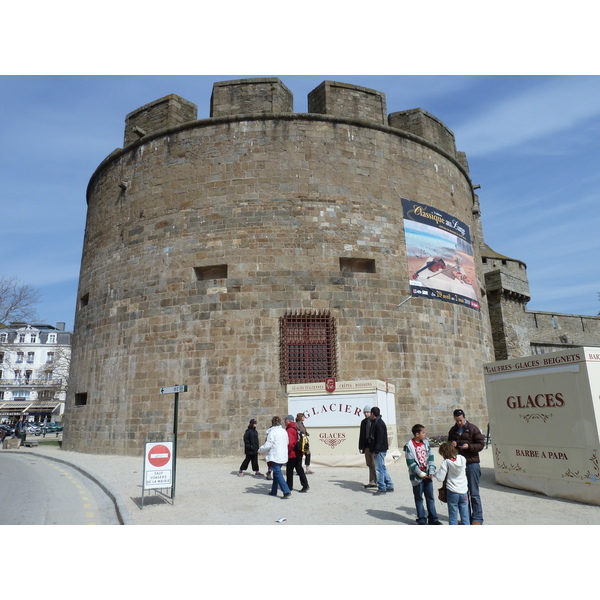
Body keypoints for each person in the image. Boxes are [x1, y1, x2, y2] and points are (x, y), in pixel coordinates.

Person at [448, 409, 485, 525]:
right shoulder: (453, 430)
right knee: (463, 493)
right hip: (459, 465)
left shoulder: (473, 428)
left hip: (471, 462)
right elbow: (448, 444)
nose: (459, 423)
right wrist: (451, 444)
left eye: (461, 420)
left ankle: (477, 519)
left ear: (464, 417)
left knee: (474, 493)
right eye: (457, 421)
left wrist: (469, 447)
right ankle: (466, 519)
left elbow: (481, 444)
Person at [404, 424, 442, 525]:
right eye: (423, 433)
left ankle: (433, 518)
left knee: (430, 497)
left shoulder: (425, 443)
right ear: (417, 434)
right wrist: (420, 473)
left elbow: (430, 457)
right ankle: (421, 518)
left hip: (428, 475)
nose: (425, 434)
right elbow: (410, 462)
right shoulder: (409, 446)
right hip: (417, 476)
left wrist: (431, 471)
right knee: (419, 497)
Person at [434, 442, 470, 525]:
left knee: (453, 516)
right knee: (465, 516)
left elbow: (440, 478)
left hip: (452, 491)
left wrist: (435, 474)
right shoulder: (462, 458)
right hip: (463, 490)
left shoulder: (446, 462)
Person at [258, 416, 291, 499]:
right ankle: (274, 490)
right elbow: (287, 442)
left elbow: (268, 444)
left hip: (275, 455)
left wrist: (260, 450)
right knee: (276, 472)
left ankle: (286, 491)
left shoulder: (272, 432)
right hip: (282, 454)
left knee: (277, 472)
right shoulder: (284, 431)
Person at [368, 406, 394, 495]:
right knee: (383, 467)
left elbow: (379, 438)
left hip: (379, 450)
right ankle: (389, 485)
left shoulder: (378, 424)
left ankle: (382, 487)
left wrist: (376, 450)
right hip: (381, 449)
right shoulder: (377, 422)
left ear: (372, 413)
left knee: (379, 469)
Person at [284, 414, 309, 492]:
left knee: (289, 470)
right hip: (298, 452)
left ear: (289, 421)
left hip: (292, 453)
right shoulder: (296, 428)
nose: (284, 421)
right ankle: (305, 485)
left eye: (285, 420)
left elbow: (291, 442)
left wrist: (287, 452)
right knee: (299, 469)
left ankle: (289, 486)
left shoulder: (290, 429)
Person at [358, 405, 377, 488]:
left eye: (368, 412)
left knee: (375, 464)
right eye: (365, 412)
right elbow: (361, 435)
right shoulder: (363, 422)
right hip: (366, 446)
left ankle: (379, 481)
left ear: (371, 413)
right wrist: (360, 446)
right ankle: (372, 481)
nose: (366, 414)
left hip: (373, 446)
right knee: (369, 464)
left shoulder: (374, 422)